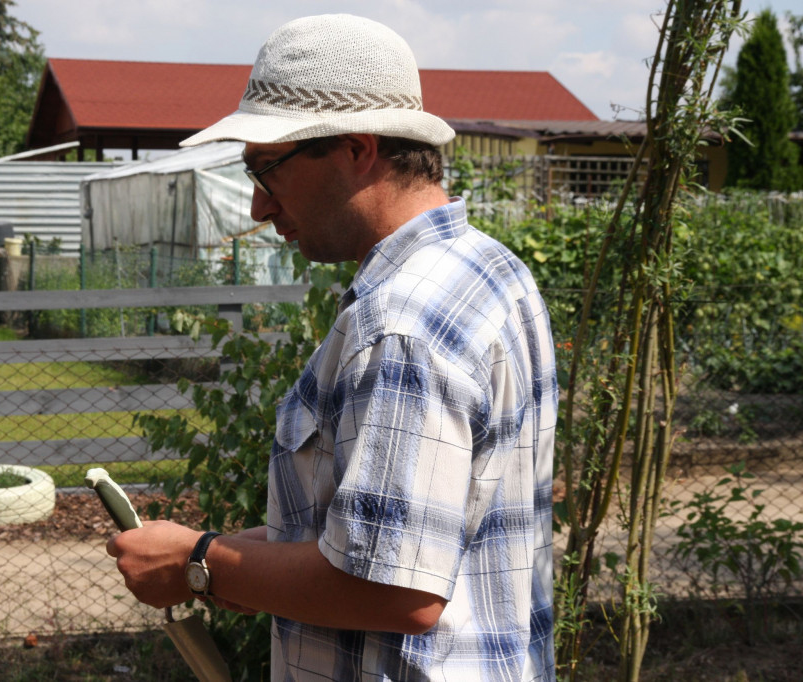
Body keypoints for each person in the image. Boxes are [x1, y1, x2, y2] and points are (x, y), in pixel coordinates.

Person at [107, 14, 557, 681]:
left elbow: (396, 591)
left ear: (357, 150)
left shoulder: (402, 325)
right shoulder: (489, 270)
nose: (259, 208)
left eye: (269, 170)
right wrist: (235, 559)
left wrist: (197, 564)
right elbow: (394, 533)